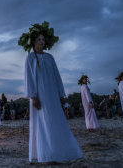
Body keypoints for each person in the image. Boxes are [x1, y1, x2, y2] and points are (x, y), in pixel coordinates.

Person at [21, 22, 82, 163]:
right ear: (33, 42)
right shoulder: (30, 58)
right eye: (38, 39)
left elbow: (57, 76)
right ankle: (46, 154)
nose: (41, 42)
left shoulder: (49, 57)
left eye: (43, 39)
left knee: (56, 121)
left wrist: (61, 95)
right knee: (43, 122)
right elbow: (29, 77)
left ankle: (60, 151)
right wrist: (33, 96)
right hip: (39, 95)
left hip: (53, 95)